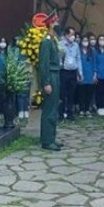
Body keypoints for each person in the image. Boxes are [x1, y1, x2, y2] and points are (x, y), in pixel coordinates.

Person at [37, 10, 63, 151]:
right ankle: (47, 141)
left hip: (55, 75)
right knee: (49, 109)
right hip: (50, 76)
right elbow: (44, 64)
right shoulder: (46, 42)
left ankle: (51, 137)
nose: (58, 23)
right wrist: (46, 82)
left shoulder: (53, 40)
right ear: (51, 24)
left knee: (54, 108)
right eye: (56, 21)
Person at [59, 26, 82, 121]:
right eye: (71, 34)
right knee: (62, 94)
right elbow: (58, 57)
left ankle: (70, 113)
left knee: (71, 94)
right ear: (66, 35)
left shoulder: (76, 45)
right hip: (64, 72)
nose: (73, 36)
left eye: (74, 34)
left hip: (73, 72)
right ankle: (60, 113)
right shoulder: (61, 44)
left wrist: (80, 72)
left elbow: (78, 58)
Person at [78, 36, 96, 116]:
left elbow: (94, 63)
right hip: (82, 75)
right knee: (82, 93)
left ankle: (87, 109)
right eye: (84, 40)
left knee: (89, 93)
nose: (85, 42)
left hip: (90, 75)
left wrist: (95, 74)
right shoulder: (78, 51)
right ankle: (82, 109)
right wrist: (78, 74)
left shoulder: (92, 51)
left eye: (87, 40)